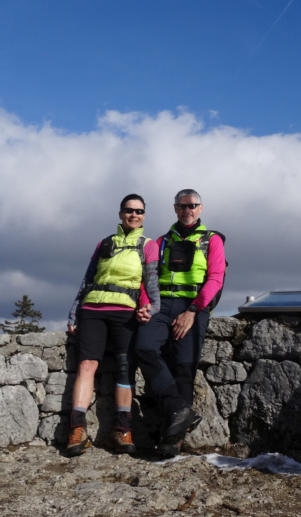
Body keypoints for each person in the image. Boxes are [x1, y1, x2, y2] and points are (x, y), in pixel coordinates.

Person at [65, 194, 160, 456]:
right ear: (120, 214)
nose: (134, 215)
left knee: (124, 368)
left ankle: (122, 429)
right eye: (129, 210)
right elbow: (87, 279)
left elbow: (152, 283)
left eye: (139, 211)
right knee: (86, 364)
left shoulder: (148, 245)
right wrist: (74, 311)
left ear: (143, 216)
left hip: (126, 312)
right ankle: (77, 430)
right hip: (93, 308)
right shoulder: (104, 243)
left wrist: (152, 308)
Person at [134, 189, 226, 458]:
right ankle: (179, 410)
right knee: (143, 348)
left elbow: (215, 278)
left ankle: (171, 438)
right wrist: (144, 304)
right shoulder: (161, 241)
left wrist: (194, 311)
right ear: (175, 209)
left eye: (192, 206)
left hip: (193, 306)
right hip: (160, 305)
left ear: (200, 208)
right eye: (182, 206)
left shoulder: (212, 240)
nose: (187, 210)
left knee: (184, 369)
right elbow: (146, 277)